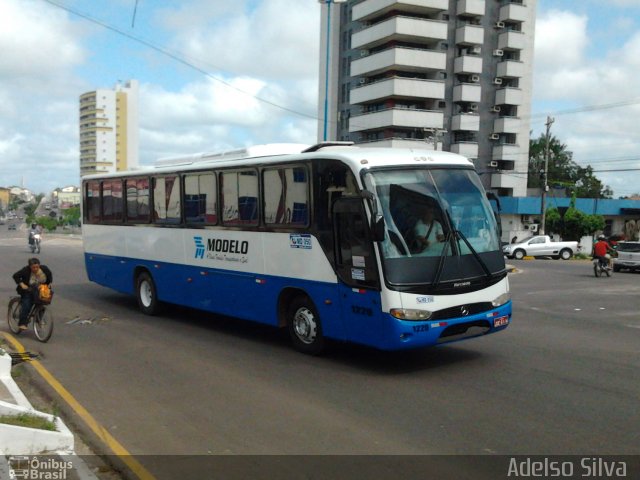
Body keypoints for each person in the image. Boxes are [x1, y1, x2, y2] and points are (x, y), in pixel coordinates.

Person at [12, 258, 53, 330]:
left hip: (40, 289)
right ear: (30, 266)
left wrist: (49, 283)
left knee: (43, 302)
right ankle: (22, 323)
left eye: (37, 267)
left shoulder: (44, 269)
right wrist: (22, 284)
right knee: (27, 304)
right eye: (33, 267)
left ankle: (39, 318)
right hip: (28, 290)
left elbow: (49, 276)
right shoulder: (25, 270)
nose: (35, 269)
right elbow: (15, 276)